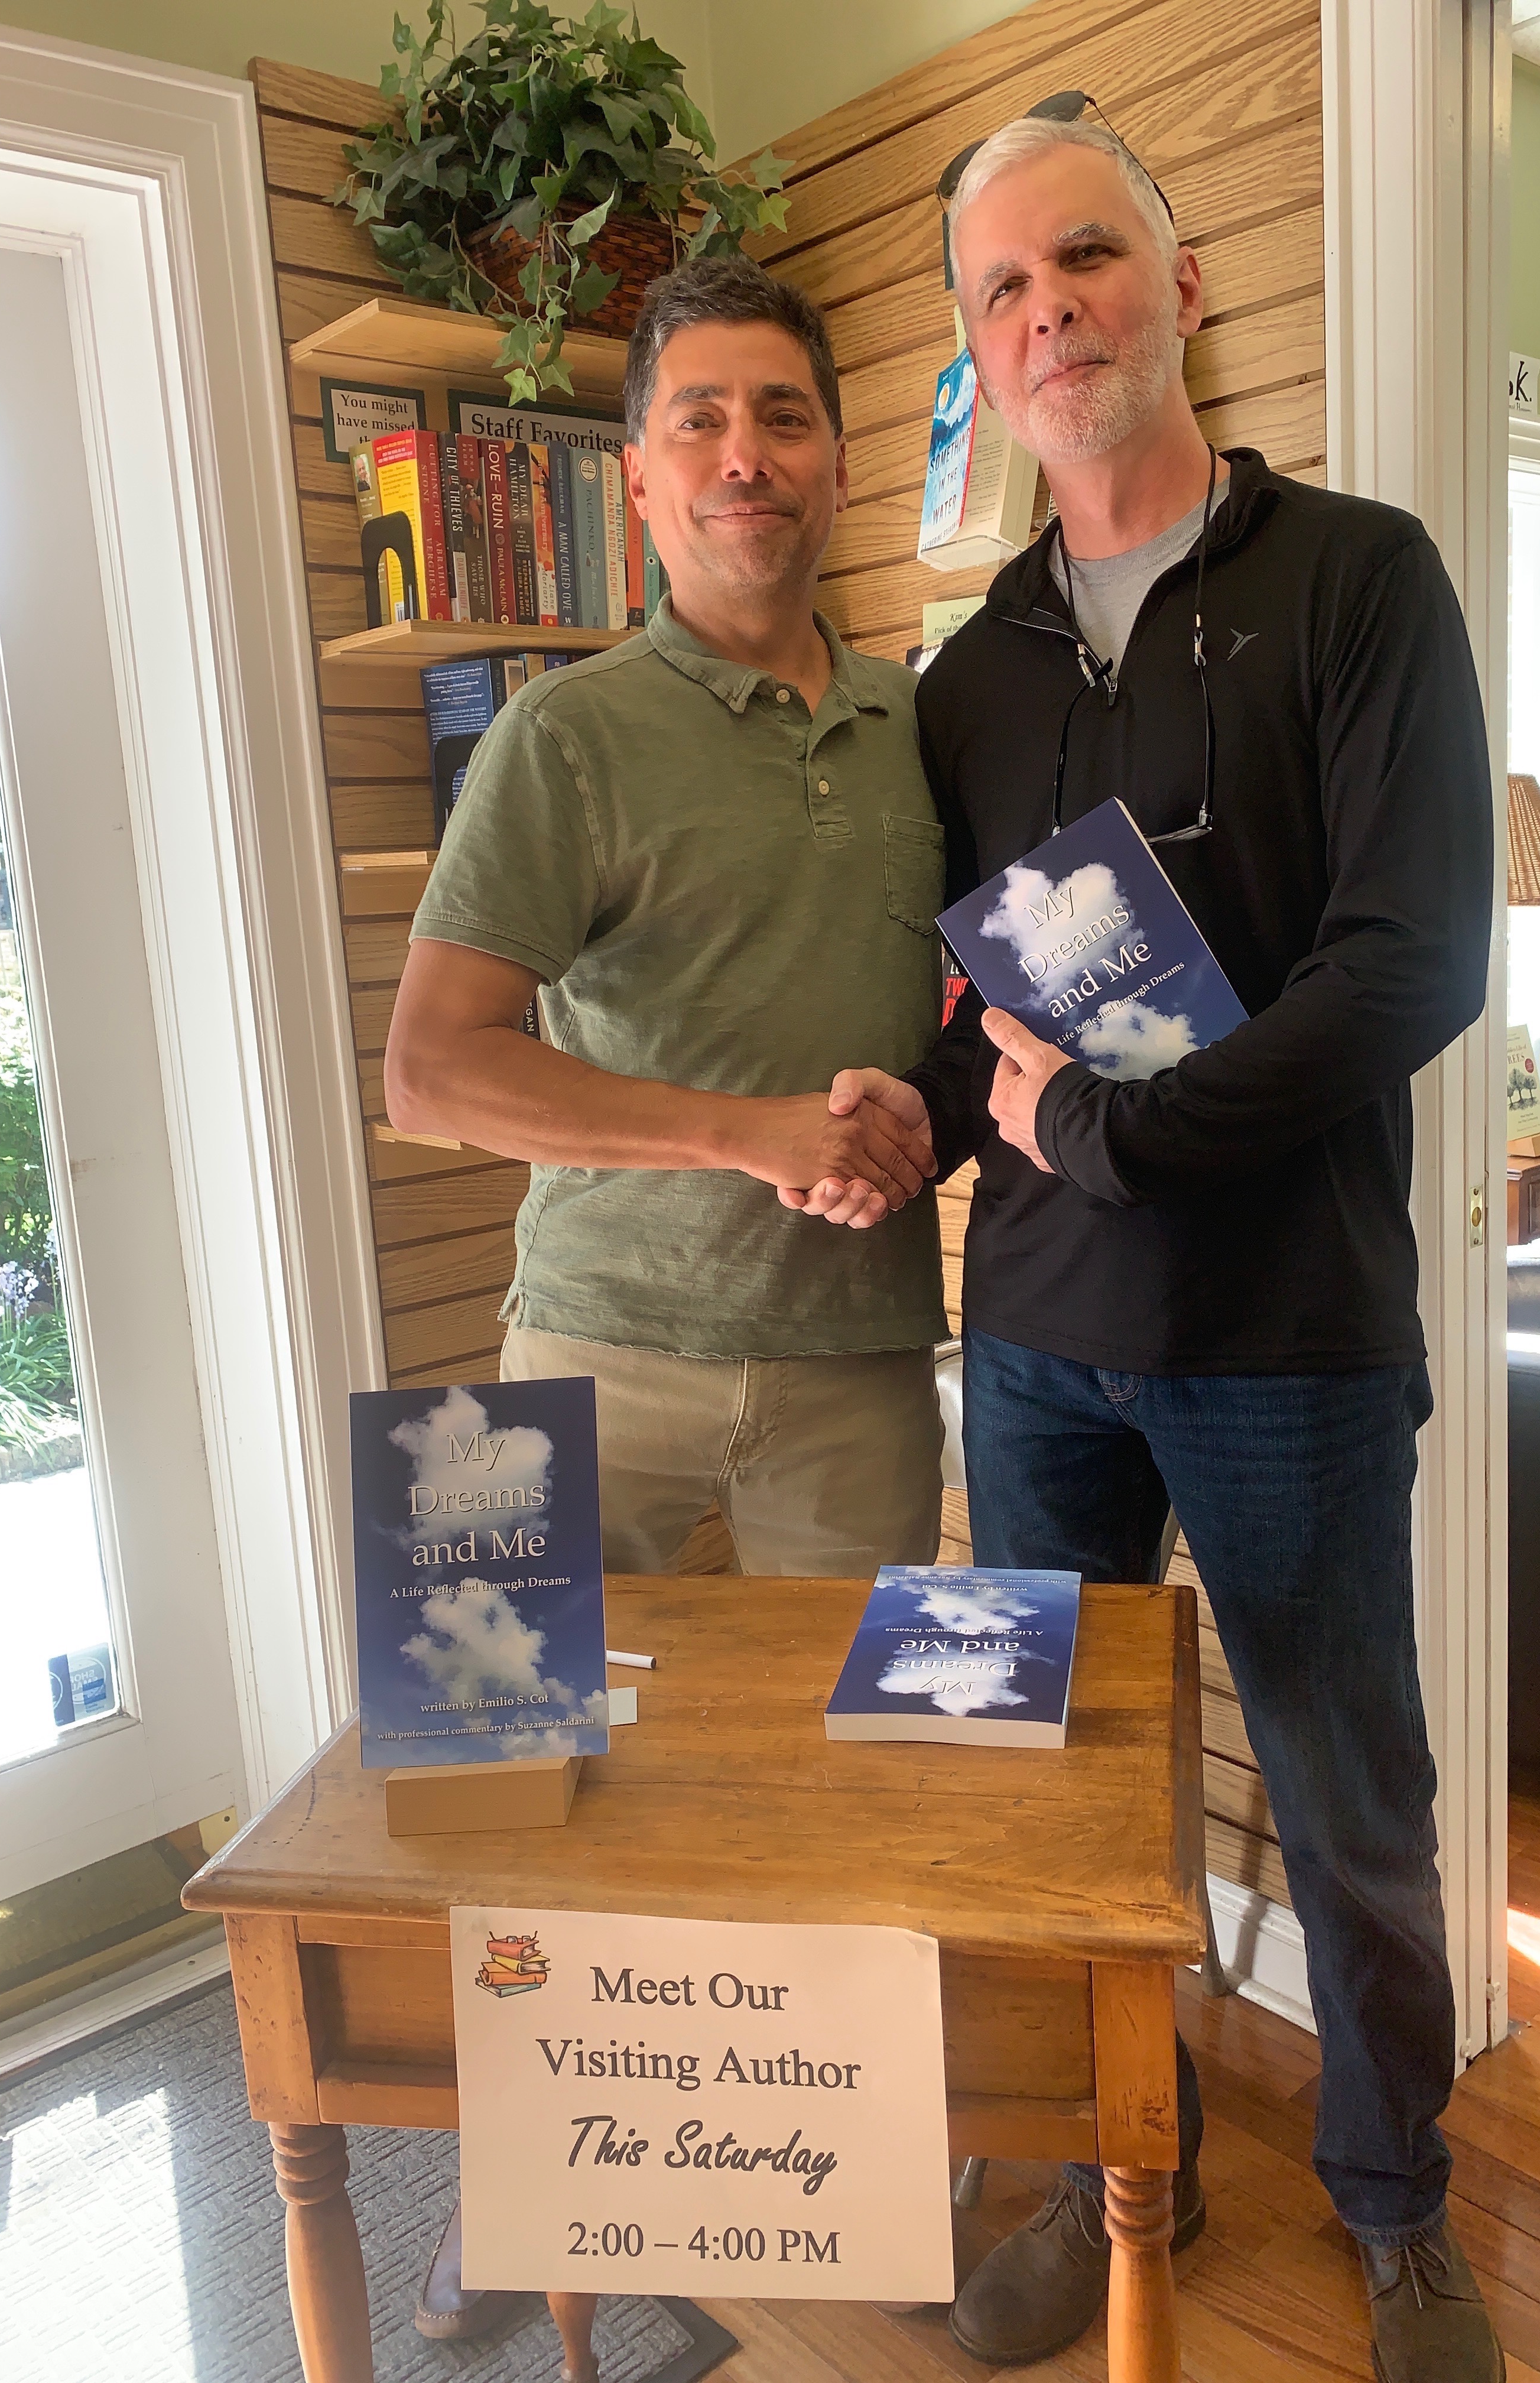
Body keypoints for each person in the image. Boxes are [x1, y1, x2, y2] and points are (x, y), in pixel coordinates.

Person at [802, 111, 1499, 2381]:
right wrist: (896, 1106)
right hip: (1032, 1355)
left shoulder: (1363, 580)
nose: (1049, 310)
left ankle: (1398, 2213)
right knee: (1061, 1806)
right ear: (982, 360)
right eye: (1002, 292)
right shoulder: (966, 673)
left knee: (1344, 1796)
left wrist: (1102, 1133)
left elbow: (1409, 970)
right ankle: (1142, 2166)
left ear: (1180, 287)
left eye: (1085, 257)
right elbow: (956, 990)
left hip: (1290, 1343)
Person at [383, 252, 950, 2354]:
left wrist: (911, 1104)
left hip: (860, 1369)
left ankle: (816, 2190)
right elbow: (433, 1072)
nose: (744, 455)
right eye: (700, 418)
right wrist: (740, 1129)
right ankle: (518, 2188)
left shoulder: (929, 723)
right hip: (580, 1353)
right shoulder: (559, 738)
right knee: (502, 1778)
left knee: (860, 1793)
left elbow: (964, 1024)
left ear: (833, 455)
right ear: (640, 480)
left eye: (781, 414)